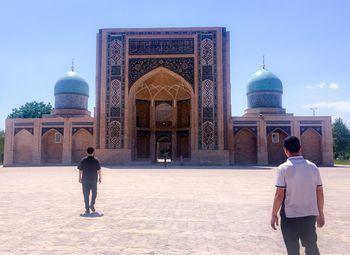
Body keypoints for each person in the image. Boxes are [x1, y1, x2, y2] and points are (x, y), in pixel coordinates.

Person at [270, 136, 325, 255]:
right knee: (311, 247)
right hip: (309, 214)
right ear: (300, 148)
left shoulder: (283, 168)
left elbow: (279, 194)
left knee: (293, 250)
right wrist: (320, 213)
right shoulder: (313, 167)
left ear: (285, 150)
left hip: (290, 216)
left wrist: (274, 214)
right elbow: (319, 192)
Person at [78, 147, 101, 214]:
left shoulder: (83, 160)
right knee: (94, 193)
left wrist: (79, 178)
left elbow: (80, 170)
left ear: (87, 152)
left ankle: (87, 209)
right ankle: (92, 204)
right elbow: (99, 170)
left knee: (86, 195)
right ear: (93, 152)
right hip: (93, 180)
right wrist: (100, 178)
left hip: (85, 180)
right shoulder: (96, 160)